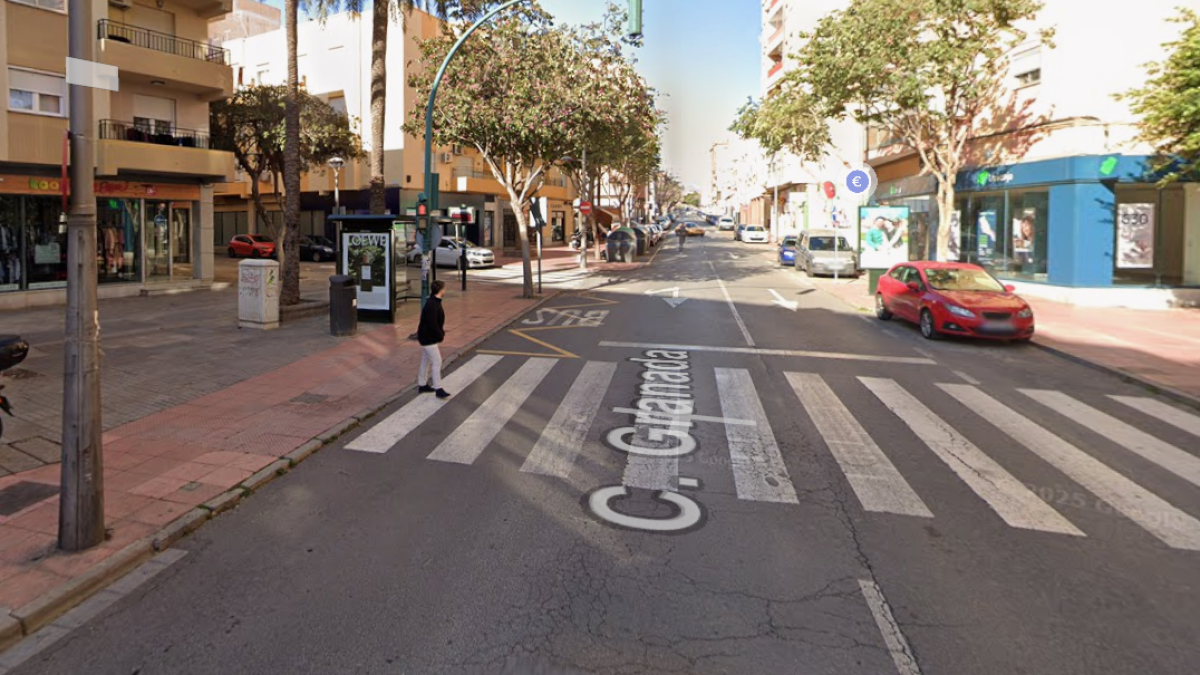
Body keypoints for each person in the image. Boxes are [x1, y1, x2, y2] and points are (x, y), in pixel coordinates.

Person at [417, 280, 451, 399]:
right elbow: (432, 324)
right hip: (428, 338)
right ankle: (438, 388)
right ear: (440, 290)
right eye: (444, 288)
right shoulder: (432, 304)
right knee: (437, 362)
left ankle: (422, 384)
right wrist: (440, 335)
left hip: (427, 336)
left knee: (425, 360)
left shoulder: (434, 301)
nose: (445, 290)